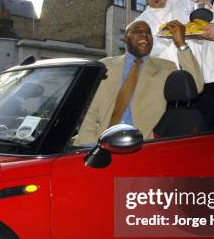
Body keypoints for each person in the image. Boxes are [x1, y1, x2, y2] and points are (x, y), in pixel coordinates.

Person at [75, 19, 203, 145]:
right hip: (103, 142)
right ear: (125, 38)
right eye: (137, 31)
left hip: (143, 145)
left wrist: (181, 45)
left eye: (148, 33)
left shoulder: (165, 67)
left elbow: (195, 86)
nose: (144, 35)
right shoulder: (105, 65)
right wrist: (89, 142)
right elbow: (90, 111)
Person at [135, 0, 203, 67]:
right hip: (163, 75)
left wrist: (204, 7)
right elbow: (142, 54)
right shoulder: (138, 23)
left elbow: (204, 30)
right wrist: (165, 37)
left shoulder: (185, 4)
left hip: (196, 68)